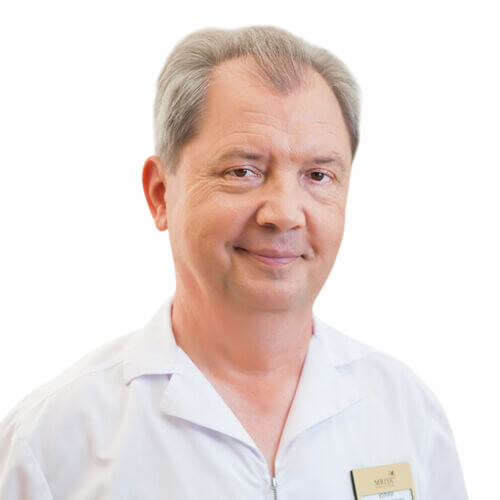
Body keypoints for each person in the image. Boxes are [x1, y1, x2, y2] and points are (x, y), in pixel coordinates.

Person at [0, 26, 468, 499]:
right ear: (161, 194)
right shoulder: (51, 447)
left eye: (318, 175)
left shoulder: (408, 414)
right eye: (242, 171)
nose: (284, 213)